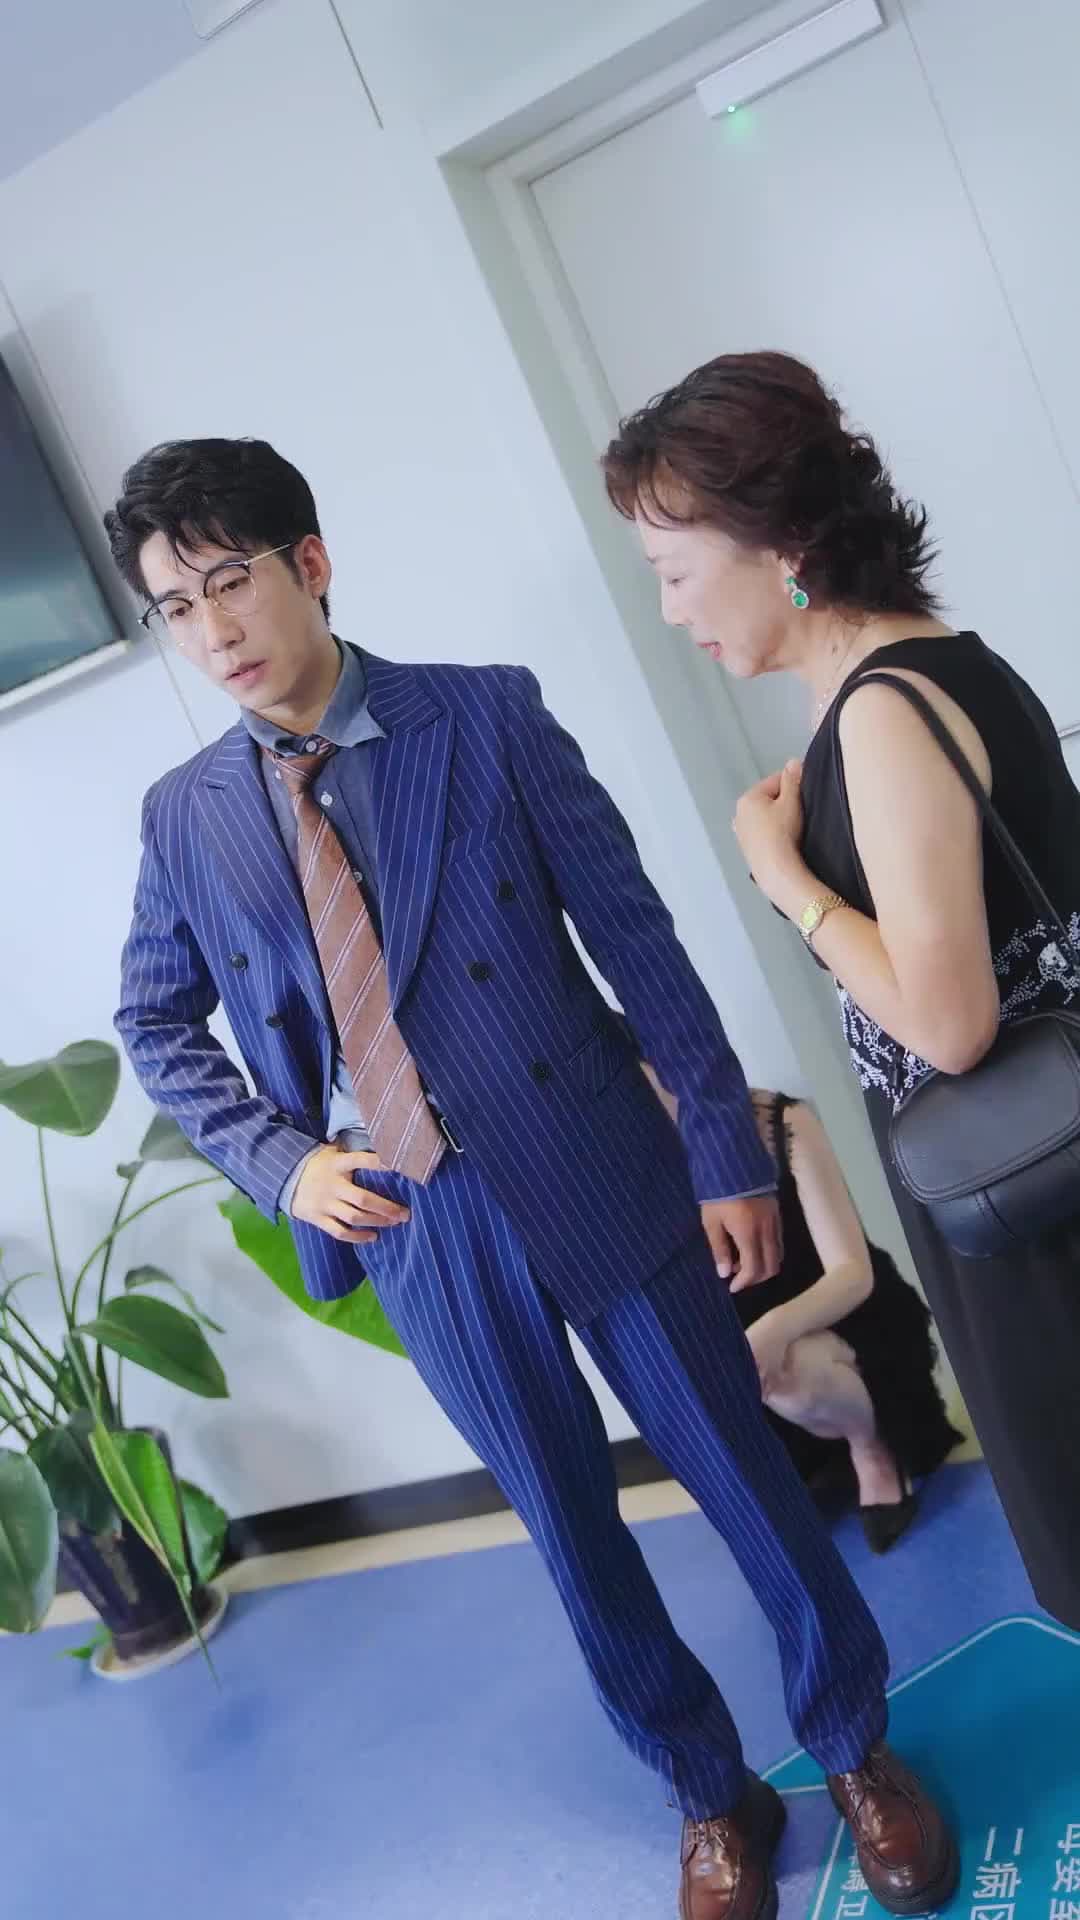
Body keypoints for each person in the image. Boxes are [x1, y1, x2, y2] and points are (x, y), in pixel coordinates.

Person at [108, 437, 955, 1920]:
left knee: (745, 1477)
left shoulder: (487, 716)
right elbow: (153, 1024)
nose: (211, 629)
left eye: (229, 582)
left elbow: (637, 943)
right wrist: (282, 1163)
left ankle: (853, 1747)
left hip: (599, 1167)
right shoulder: (186, 815)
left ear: (311, 563)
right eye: (176, 606)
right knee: (570, 1531)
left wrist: (722, 1151)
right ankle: (710, 1795)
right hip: (417, 1225)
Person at [602, 348, 1080, 1632]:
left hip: (1038, 1211)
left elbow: (947, 1022)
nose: (671, 611)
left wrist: (783, 878)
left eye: (675, 570)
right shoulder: (924, 670)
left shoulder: (885, 709)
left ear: (784, 543)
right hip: (1025, 1182)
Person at [638, 1056, 960, 1551]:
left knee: (786, 1366)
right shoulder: (639, 1171)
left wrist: (774, 1331)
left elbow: (852, 1275)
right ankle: (803, 1458)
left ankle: (871, 1448)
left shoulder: (783, 1122)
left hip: (850, 1322)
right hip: (749, 1353)